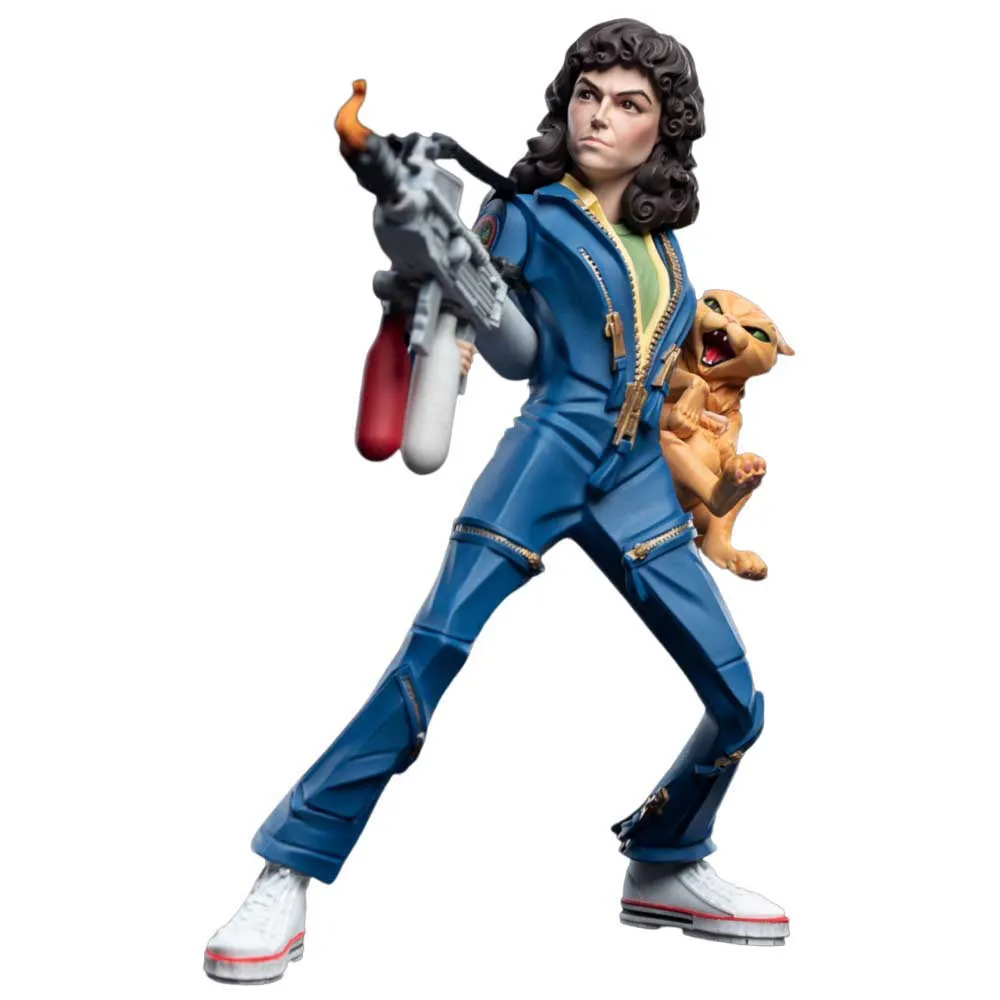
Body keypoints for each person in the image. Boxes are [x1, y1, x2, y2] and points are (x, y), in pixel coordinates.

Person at [204, 18, 788, 984]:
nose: (599, 117)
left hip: (636, 474)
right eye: (588, 95)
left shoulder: (665, 244)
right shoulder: (523, 212)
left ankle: (666, 858)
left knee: (737, 698)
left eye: (628, 104)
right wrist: (449, 315)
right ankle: (289, 867)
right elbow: (506, 337)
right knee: (431, 654)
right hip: (548, 452)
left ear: (665, 128)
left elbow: (663, 357)